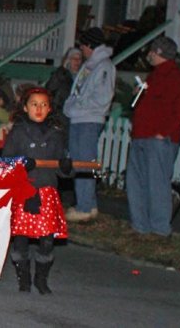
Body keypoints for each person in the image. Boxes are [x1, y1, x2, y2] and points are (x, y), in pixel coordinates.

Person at [2, 87, 73, 295]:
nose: (39, 108)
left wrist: (66, 168)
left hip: (47, 191)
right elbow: (7, 162)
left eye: (43, 105)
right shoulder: (18, 132)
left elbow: (61, 169)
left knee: (47, 239)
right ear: (25, 108)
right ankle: (23, 277)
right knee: (22, 237)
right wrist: (22, 164)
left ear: (49, 109)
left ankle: (41, 278)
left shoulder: (57, 135)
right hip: (25, 191)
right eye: (34, 104)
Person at [127, 36, 180, 237]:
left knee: (157, 184)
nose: (148, 55)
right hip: (141, 136)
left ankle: (160, 229)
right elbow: (144, 105)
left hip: (158, 139)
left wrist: (164, 133)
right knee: (137, 182)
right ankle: (140, 225)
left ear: (159, 53)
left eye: (151, 51)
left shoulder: (176, 77)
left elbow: (179, 111)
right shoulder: (153, 76)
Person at [63, 27, 116, 222]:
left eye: (83, 45)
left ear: (90, 45)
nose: (82, 49)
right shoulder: (90, 66)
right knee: (81, 163)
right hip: (79, 118)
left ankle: (84, 206)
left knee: (84, 162)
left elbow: (101, 97)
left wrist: (78, 105)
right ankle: (89, 203)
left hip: (89, 119)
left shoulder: (104, 67)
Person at [44, 47, 83, 132]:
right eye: (74, 58)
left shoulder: (83, 78)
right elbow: (49, 88)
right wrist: (62, 70)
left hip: (76, 118)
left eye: (79, 59)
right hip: (60, 118)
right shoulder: (60, 76)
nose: (77, 61)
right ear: (68, 60)